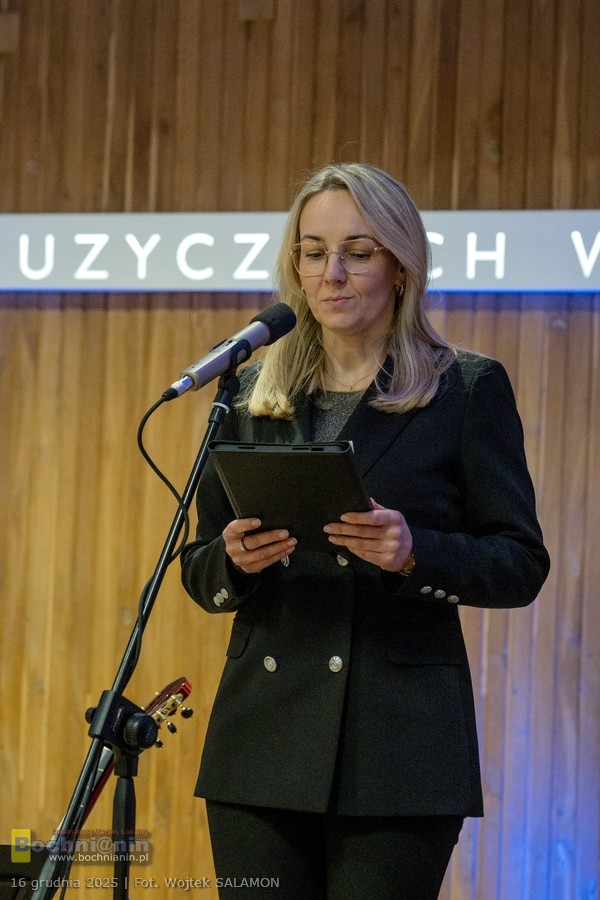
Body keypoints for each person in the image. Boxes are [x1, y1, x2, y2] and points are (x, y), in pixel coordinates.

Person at [181, 162, 550, 899]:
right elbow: (199, 566)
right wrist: (234, 561)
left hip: (400, 751)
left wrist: (416, 553)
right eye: (314, 252)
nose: (333, 274)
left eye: (358, 251)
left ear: (401, 266)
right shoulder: (248, 391)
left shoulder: (465, 388)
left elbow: (520, 564)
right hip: (262, 745)